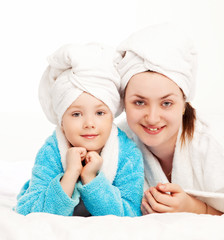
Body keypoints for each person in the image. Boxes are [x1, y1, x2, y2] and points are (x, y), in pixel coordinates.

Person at [114, 23, 224, 216]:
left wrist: (196, 208)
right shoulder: (116, 143)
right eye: (139, 102)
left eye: (166, 103)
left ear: (184, 103)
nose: (152, 118)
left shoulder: (218, 146)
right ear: (123, 102)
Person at [15, 43, 144, 217]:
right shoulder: (51, 151)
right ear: (61, 122)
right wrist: (71, 173)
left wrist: (91, 178)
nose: (89, 123)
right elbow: (30, 212)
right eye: (76, 114)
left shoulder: (127, 154)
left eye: (100, 113)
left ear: (112, 116)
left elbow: (130, 214)